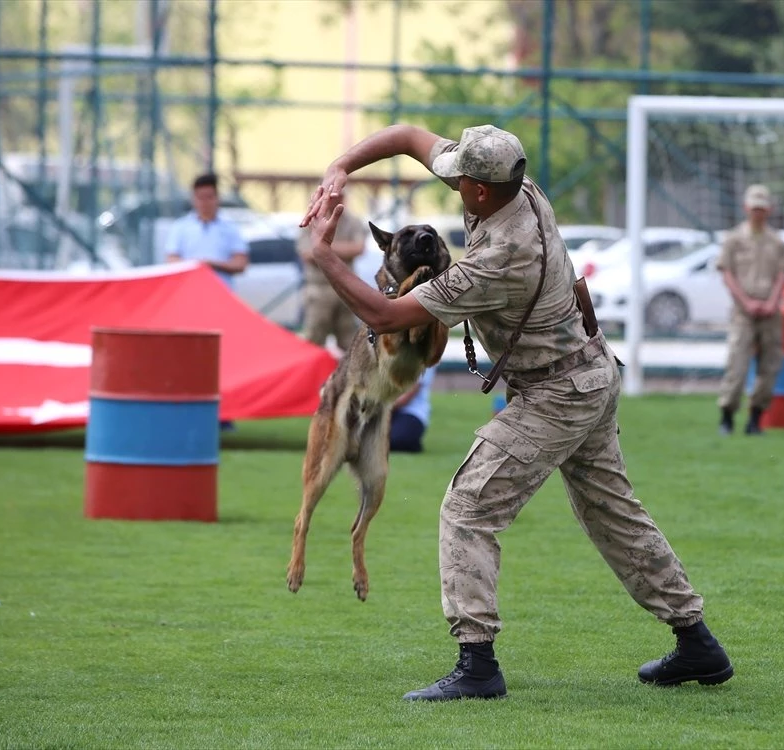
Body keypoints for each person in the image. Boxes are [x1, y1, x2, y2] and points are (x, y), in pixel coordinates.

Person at [299, 123, 732, 702]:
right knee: (611, 513)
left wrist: (324, 256)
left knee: (468, 507)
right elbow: (406, 136)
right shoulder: (521, 187)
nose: (450, 181)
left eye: (458, 179)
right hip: (590, 371)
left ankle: (476, 664)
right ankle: (697, 642)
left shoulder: (501, 257)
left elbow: (384, 318)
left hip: (557, 392)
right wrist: (340, 168)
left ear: (479, 190)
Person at [716, 184, 784, 436]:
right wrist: (745, 301)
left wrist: (772, 302)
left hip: (770, 311)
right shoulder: (734, 239)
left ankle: (756, 418)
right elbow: (727, 273)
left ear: (768, 210)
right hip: (743, 311)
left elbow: (782, 275)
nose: (758, 213)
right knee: (737, 365)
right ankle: (727, 416)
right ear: (746, 208)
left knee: (770, 366)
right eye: (754, 208)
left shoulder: (777, 241)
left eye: (762, 208)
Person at [297, 205, 367, 352]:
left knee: (350, 340)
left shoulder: (353, 221)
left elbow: (359, 248)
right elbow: (307, 254)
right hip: (319, 288)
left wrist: (324, 246)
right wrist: (342, 250)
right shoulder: (311, 220)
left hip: (346, 287)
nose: (336, 198)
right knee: (314, 339)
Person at [164, 173, 249, 288]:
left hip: (221, 292)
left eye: (209, 197)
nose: (205, 203)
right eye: (201, 197)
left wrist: (213, 265)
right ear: (193, 199)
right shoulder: (180, 227)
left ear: (217, 198)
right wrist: (195, 265)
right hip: (189, 290)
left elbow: (240, 263)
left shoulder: (230, 228)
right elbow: (172, 260)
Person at [389, 364, 436, 453]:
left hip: (411, 411)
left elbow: (407, 396)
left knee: (397, 440)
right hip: (382, 409)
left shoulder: (424, 356)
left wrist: (378, 408)